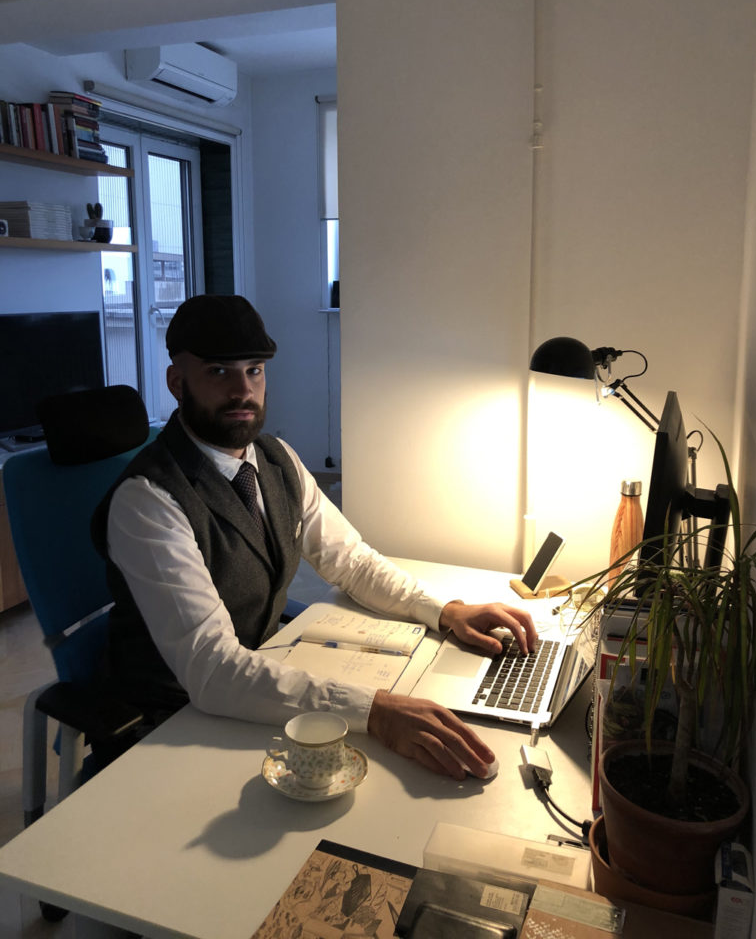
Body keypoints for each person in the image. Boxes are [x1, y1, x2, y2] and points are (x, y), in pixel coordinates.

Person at [92, 294, 537, 780]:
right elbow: (213, 671)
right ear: (178, 382)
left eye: (255, 370)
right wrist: (375, 712)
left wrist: (443, 611)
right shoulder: (149, 500)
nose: (244, 390)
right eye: (220, 372)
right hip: (178, 718)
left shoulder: (275, 458)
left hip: (263, 677)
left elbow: (351, 561)